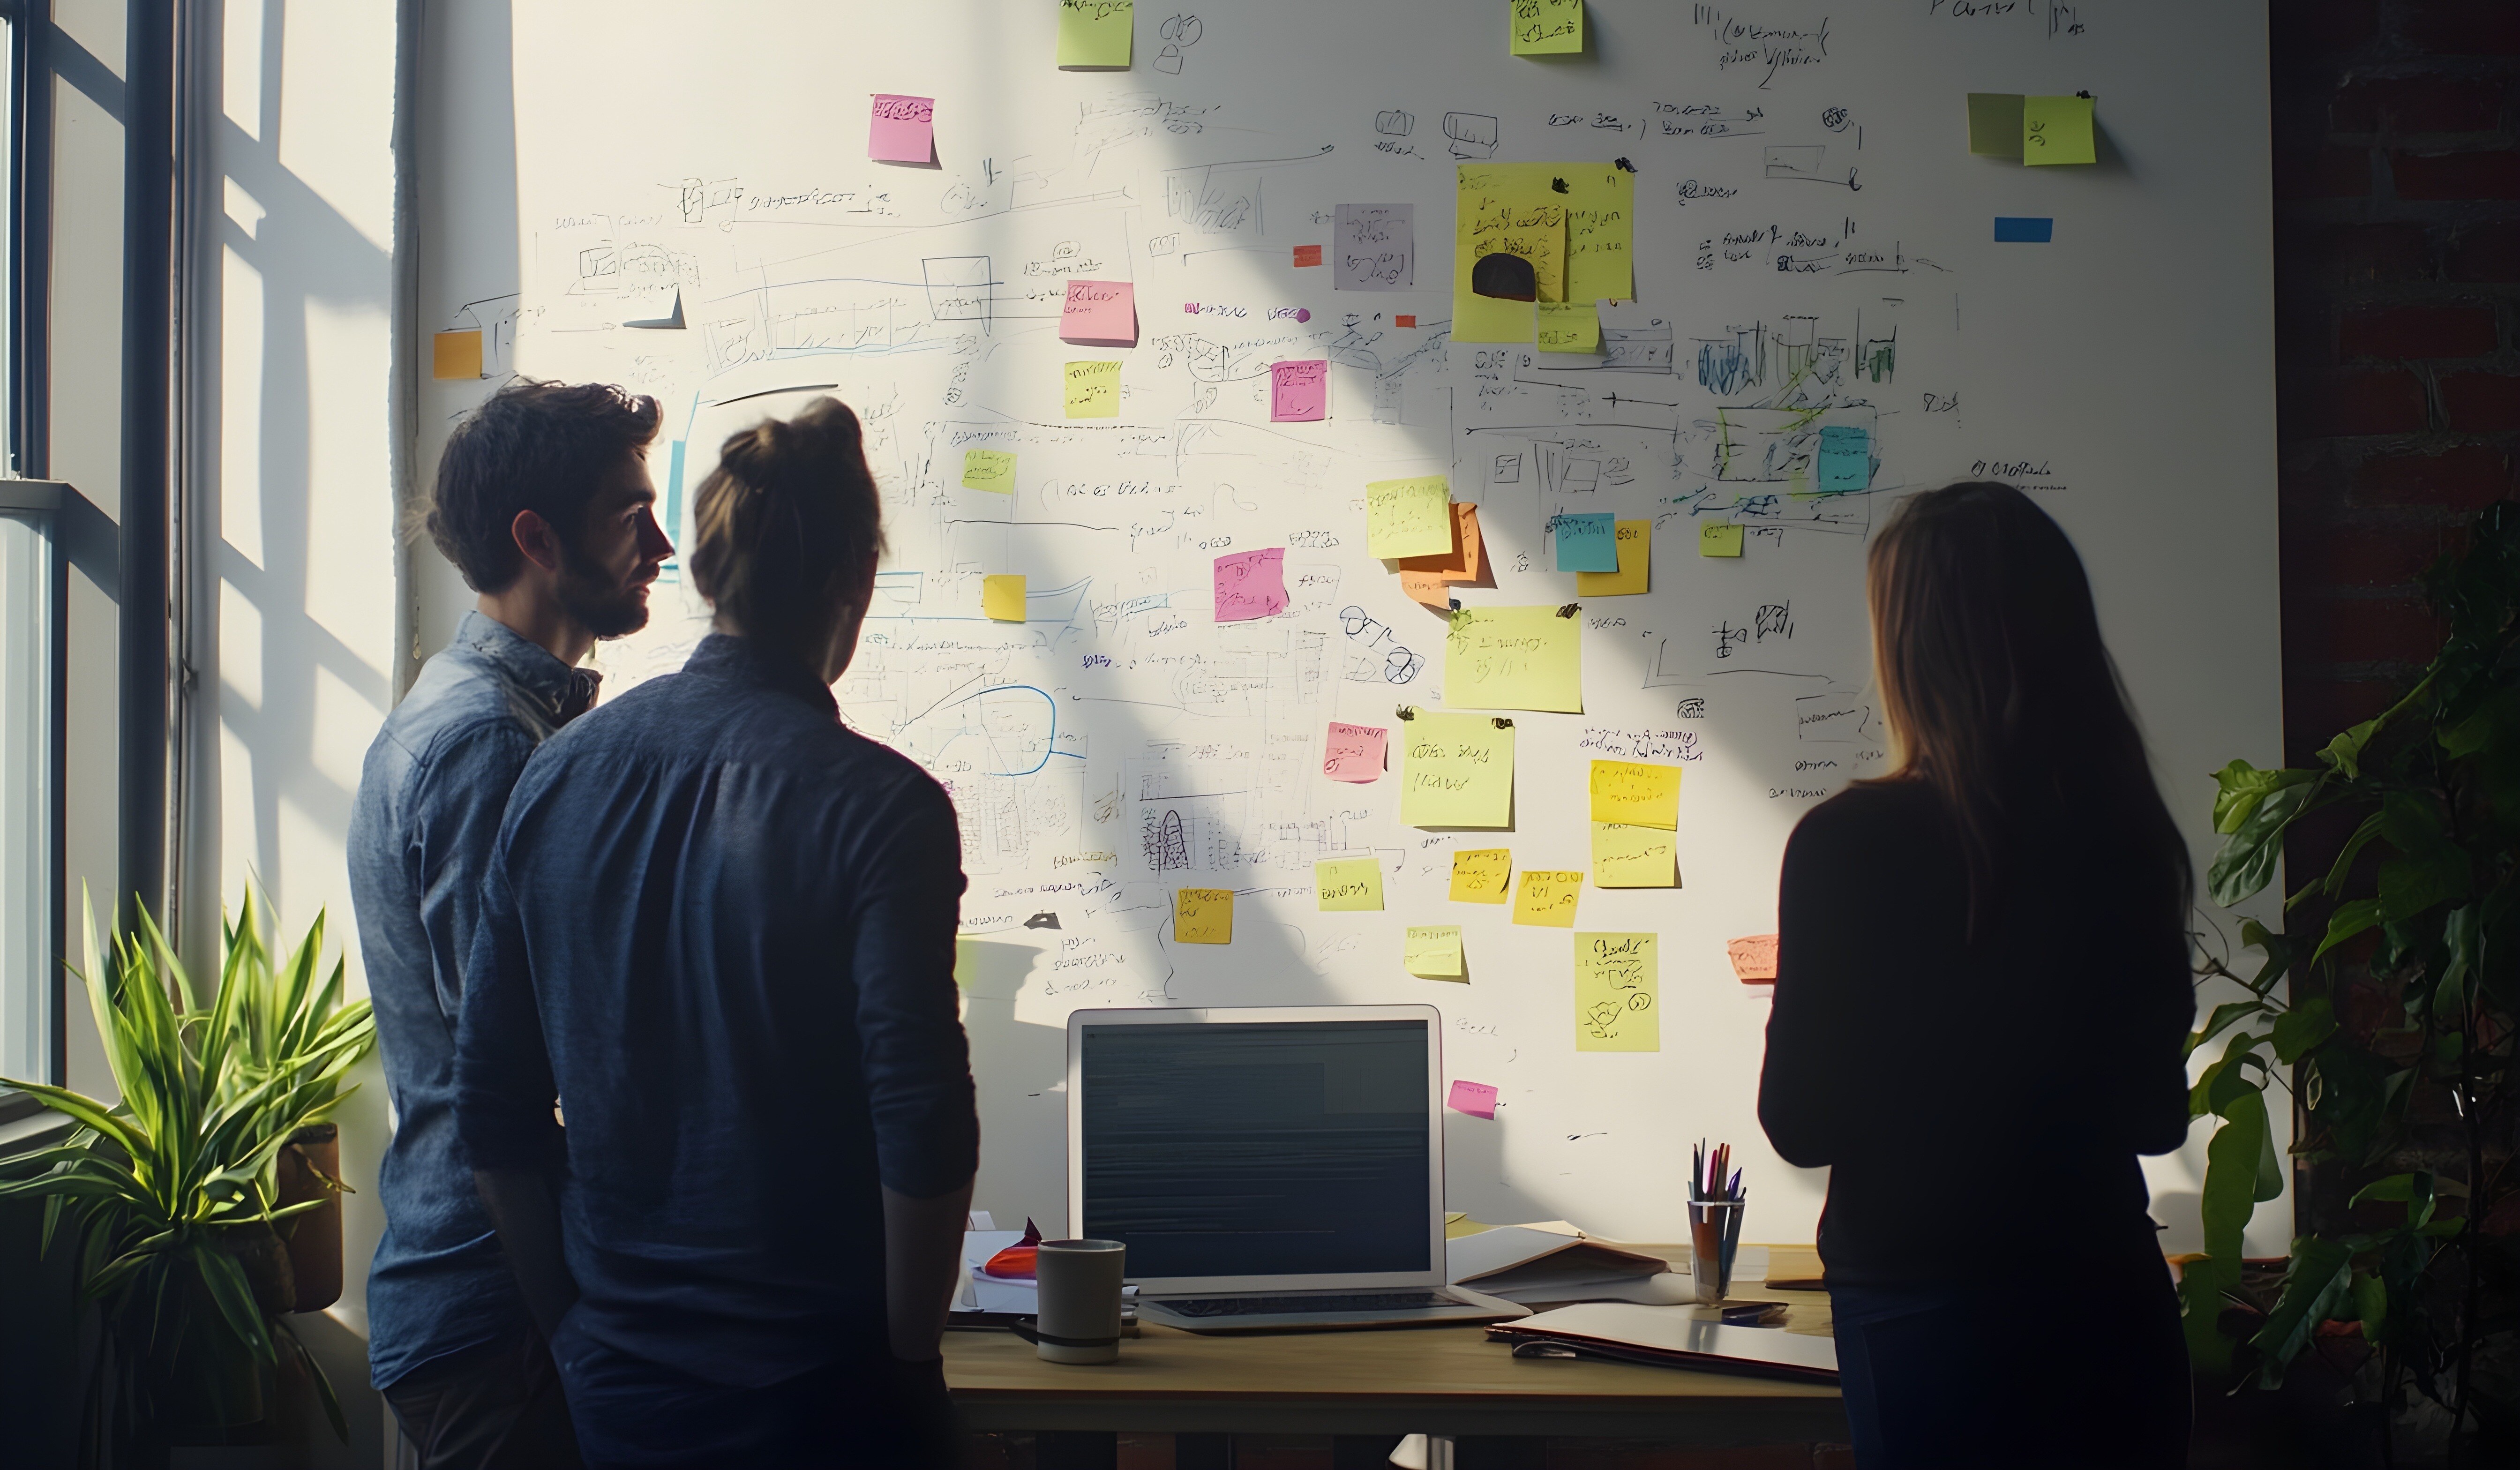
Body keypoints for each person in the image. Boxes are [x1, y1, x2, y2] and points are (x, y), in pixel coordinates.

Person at [452, 398, 977, 1469]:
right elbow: (921, 1121)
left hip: (624, 1398)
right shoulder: (883, 808)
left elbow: (492, 1104)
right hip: (824, 1397)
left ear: (706, 574)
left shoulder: (558, 774)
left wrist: (575, 1333)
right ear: (852, 578)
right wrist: (913, 1365)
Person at [1756, 483, 2195, 1469]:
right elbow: (2156, 1119)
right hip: (2107, 1308)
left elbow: (1800, 1122)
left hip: (1926, 1323)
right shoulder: (2126, 839)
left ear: (1910, 649)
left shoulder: (1846, 845)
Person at [347, 380, 672, 1467]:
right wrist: (574, 1324)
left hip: (493, 1307)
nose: (664, 544)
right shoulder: (487, 745)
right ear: (537, 538)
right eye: (632, 514)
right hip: (499, 1316)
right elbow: (512, 1064)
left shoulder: (487, 714)